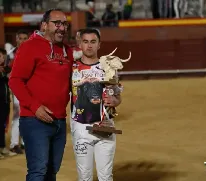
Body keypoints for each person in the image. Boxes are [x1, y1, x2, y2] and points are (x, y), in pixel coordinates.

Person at [8, 8, 73, 181]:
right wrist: (35, 107)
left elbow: (74, 84)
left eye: (64, 24)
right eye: (56, 23)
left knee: (52, 171)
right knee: (38, 171)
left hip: (59, 120)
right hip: (35, 120)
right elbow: (15, 80)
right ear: (44, 25)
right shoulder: (29, 47)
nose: (61, 28)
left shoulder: (68, 51)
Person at [70, 28, 122, 181]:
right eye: (85, 42)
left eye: (93, 42)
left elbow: (117, 98)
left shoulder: (109, 68)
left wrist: (115, 101)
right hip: (81, 128)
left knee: (106, 177)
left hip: (105, 125)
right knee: (84, 177)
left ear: (99, 44)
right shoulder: (71, 68)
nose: (89, 46)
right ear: (80, 44)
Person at [7, 30, 28, 155]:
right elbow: (6, 72)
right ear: (16, 39)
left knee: (28, 115)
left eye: (25, 38)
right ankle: (14, 143)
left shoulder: (31, 52)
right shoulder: (10, 55)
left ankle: (25, 142)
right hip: (17, 88)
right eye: (21, 38)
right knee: (17, 115)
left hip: (29, 88)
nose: (23, 41)